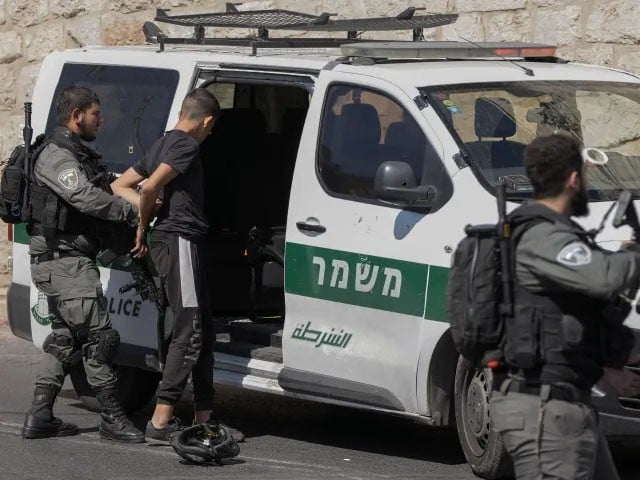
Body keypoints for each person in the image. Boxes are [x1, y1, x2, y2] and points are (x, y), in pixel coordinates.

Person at [490, 133, 640, 479]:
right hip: (545, 411)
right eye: (585, 176)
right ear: (574, 180)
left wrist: (607, 370)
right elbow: (604, 277)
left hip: (566, 402)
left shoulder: (556, 234)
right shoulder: (542, 237)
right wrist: (633, 254)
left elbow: (563, 321)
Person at [111, 87, 244, 443]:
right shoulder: (186, 145)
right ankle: (161, 421)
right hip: (179, 239)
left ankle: (205, 418)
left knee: (203, 328)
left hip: (183, 241)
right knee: (190, 330)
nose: (210, 134)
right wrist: (144, 224)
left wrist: (149, 208)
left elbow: (120, 185)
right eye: (211, 128)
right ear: (206, 120)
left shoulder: (162, 142)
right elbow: (149, 187)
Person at [22, 86, 145, 443]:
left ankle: (40, 416)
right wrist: (130, 212)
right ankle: (112, 419)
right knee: (99, 338)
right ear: (77, 116)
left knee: (64, 341)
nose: (101, 121)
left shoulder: (74, 153)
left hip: (64, 262)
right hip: (65, 263)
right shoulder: (56, 156)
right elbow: (84, 196)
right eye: (95, 114)